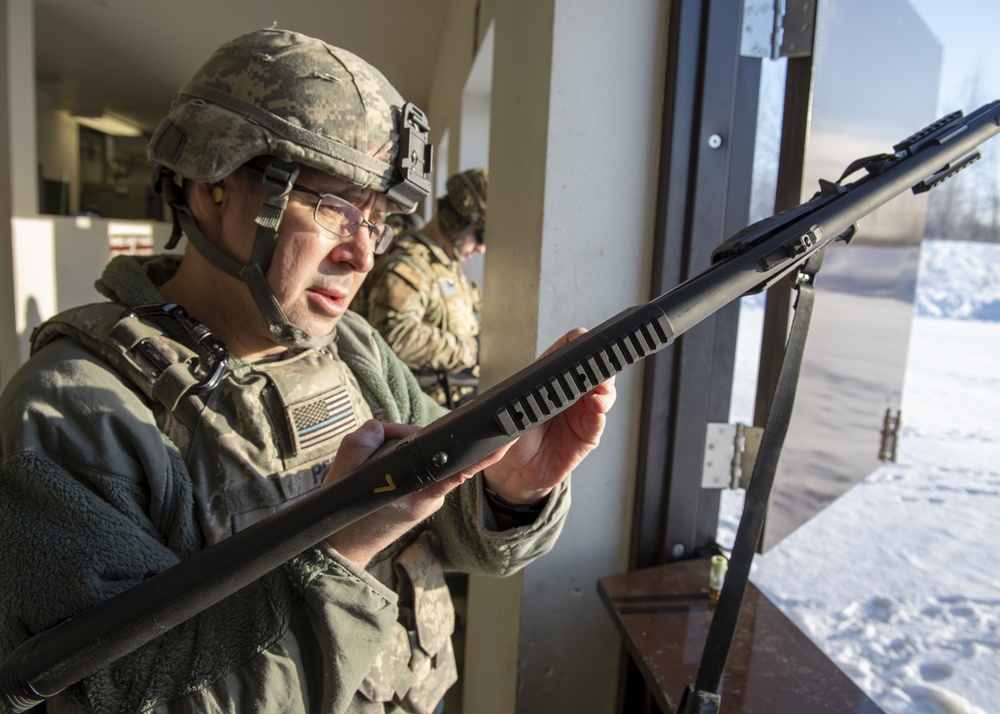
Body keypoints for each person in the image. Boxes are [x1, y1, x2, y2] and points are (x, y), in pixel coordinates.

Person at [0, 27, 615, 714]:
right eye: (335, 207)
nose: (363, 254)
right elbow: (121, 697)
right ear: (213, 185)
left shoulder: (354, 347)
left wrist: (507, 492)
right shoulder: (78, 410)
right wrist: (344, 540)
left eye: (377, 222)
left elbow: (453, 540)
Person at [351, 169, 487, 408]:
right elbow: (396, 336)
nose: (481, 249)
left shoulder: (446, 265)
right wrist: (470, 349)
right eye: (480, 236)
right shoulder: (409, 265)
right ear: (457, 223)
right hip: (418, 414)